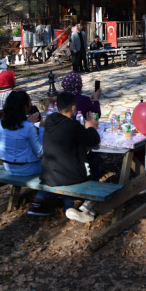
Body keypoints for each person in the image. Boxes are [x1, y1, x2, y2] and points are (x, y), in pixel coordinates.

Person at [40, 91, 101, 223]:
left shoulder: (50, 120)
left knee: (67, 165)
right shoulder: (72, 125)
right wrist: (90, 127)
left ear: (57, 107)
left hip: (48, 175)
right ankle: (89, 202)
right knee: (97, 161)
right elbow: (93, 140)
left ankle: (69, 207)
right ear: (73, 108)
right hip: (68, 175)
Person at [0, 91, 51, 216]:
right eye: (30, 104)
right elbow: (41, 151)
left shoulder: (2, 122)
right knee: (55, 165)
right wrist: (42, 128)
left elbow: (18, 134)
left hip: (9, 166)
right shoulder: (28, 127)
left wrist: (30, 123)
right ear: (25, 107)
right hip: (27, 168)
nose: (31, 106)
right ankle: (38, 201)